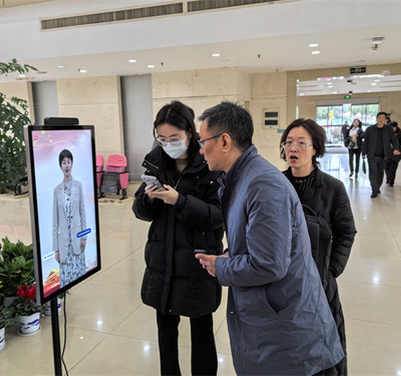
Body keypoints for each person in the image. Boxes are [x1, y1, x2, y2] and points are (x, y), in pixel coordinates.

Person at [195, 102, 344, 375]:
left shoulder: (262, 185)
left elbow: (269, 264)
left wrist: (222, 267)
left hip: (289, 340)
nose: (200, 149)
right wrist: (232, 255)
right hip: (273, 326)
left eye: (203, 141)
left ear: (225, 141)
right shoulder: (242, 179)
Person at [132, 100, 224, 376]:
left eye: (175, 138)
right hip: (163, 263)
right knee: (166, 333)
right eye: (162, 138)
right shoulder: (156, 160)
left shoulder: (210, 163)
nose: (168, 144)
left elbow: (218, 215)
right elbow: (140, 211)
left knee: (202, 333)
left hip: (198, 263)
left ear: (190, 133)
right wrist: (148, 198)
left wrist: (179, 201)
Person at [280, 118, 357, 375]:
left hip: (320, 286)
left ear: (316, 149)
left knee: (322, 354)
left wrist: (330, 270)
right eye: (289, 143)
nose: (294, 148)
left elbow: (346, 232)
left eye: (302, 143)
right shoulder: (275, 185)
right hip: (281, 284)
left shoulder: (333, 188)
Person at [53, 149, 87, 288]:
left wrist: (84, 236)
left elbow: (82, 212)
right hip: (63, 242)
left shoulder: (78, 186)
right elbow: (55, 221)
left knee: (79, 277)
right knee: (65, 281)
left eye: (68, 162)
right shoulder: (57, 190)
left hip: (77, 239)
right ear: (60, 166)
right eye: (64, 163)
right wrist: (56, 248)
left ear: (72, 164)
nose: (66, 165)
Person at [362, 112, 401, 197]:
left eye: (383, 118)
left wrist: (395, 149)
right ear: (376, 118)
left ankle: (377, 187)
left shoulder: (389, 129)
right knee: (373, 173)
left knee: (380, 174)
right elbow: (365, 142)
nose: (381, 119)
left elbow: (394, 140)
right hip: (372, 156)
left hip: (384, 156)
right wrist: (363, 153)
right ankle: (374, 190)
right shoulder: (370, 129)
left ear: (385, 120)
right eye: (379, 117)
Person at [385, 121, 401, 187]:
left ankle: (391, 181)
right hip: (387, 153)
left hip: (396, 154)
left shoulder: (399, 135)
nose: (393, 129)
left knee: (393, 168)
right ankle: (388, 178)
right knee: (386, 167)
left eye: (394, 127)